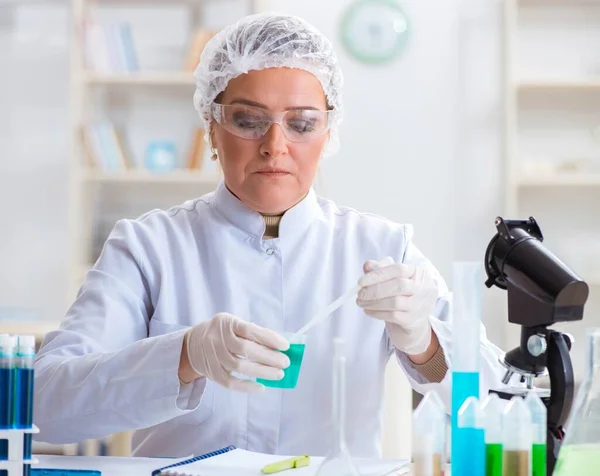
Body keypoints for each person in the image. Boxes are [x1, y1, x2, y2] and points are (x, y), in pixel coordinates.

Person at [34, 13, 508, 458]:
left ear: (329, 133)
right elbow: (43, 408)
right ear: (211, 127)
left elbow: (500, 403)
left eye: (301, 124)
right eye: (247, 120)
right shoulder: (148, 247)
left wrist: (422, 341)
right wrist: (183, 355)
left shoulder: (382, 248)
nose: (275, 146)